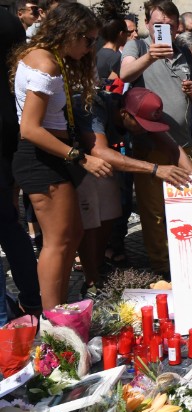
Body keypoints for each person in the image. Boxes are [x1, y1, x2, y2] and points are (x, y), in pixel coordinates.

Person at [10, 2, 112, 309]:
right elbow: (29, 128)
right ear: (69, 33)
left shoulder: (46, 57)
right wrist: (81, 157)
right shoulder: (46, 64)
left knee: (72, 234)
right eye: (88, 40)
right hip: (40, 158)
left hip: (50, 156)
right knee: (58, 241)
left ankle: (59, 310)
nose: (91, 47)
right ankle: (53, 319)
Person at [74, 87, 192, 294]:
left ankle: (99, 264)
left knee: (112, 213)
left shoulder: (139, 112)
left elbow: (172, 147)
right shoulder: (93, 106)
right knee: (91, 221)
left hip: (105, 164)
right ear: (123, 114)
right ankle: (91, 279)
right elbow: (99, 151)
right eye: (141, 124)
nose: (144, 130)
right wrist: (155, 169)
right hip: (78, 161)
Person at [120, 0, 192, 277]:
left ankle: (189, 260)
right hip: (151, 144)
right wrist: (151, 57)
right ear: (148, 25)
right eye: (158, 26)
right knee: (155, 214)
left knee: (188, 206)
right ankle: (162, 269)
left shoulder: (184, 51)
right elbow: (125, 74)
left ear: (178, 26)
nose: (164, 32)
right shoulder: (139, 46)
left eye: (169, 27)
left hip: (183, 142)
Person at [0, 0, 41, 320]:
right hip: (9, 132)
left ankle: (6, 313)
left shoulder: (9, 22)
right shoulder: (10, 22)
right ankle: (31, 298)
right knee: (11, 227)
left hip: (8, 133)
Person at [96, 5, 129, 83]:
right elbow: (114, 85)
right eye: (127, 32)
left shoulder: (100, 52)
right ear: (121, 34)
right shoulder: (116, 57)